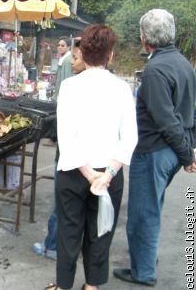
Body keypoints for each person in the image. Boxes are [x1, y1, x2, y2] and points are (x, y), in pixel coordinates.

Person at [45, 24, 138, 290]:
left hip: (74, 173)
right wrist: (106, 175)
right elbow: (129, 138)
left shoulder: (70, 87)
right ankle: (92, 286)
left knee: (69, 231)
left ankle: (63, 285)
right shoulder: (122, 89)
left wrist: (90, 175)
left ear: (83, 53)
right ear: (110, 55)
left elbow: (66, 138)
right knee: (100, 232)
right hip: (110, 173)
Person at [114, 9, 196, 287]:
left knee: (142, 213)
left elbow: (165, 120)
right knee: (152, 206)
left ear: (144, 39)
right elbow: (190, 112)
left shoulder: (155, 69)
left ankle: (144, 271)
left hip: (155, 151)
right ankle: (146, 257)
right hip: (171, 151)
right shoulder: (183, 63)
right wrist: (188, 148)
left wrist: (187, 154)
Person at [33, 39, 85, 261]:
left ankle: (52, 246)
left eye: (75, 57)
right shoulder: (110, 86)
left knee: (61, 203)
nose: (71, 61)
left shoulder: (74, 87)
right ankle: (68, 245)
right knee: (77, 206)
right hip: (88, 159)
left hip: (70, 157)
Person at [44, 36, 73, 147]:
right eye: (59, 45)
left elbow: (66, 78)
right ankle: (55, 139)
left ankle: (55, 139)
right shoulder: (64, 58)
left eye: (63, 45)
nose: (60, 47)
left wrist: (61, 94)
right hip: (60, 92)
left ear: (68, 47)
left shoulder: (67, 60)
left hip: (63, 94)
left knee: (59, 117)